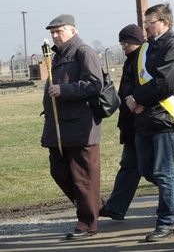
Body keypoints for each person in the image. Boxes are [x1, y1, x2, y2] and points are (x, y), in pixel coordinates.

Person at [125, 3, 174, 242]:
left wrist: (138, 98)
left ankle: (166, 222)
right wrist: (131, 99)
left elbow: (166, 83)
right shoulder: (144, 49)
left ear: (164, 23)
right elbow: (130, 77)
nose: (146, 26)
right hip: (142, 118)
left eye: (150, 22)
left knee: (163, 173)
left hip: (163, 118)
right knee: (147, 171)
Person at [41, 14, 103, 240]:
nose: (55, 36)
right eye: (53, 32)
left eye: (60, 31)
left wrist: (64, 90)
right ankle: (95, 205)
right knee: (59, 171)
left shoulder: (83, 52)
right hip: (58, 127)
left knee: (82, 177)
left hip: (79, 127)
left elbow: (95, 83)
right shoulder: (57, 55)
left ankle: (87, 224)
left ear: (73, 31)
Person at [99, 25, 145, 221]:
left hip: (142, 122)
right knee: (130, 165)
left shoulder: (143, 59)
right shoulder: (131, 60)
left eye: (127, 42)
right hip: (131, 123)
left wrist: (133, 100)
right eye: (122, 43)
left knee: (157, 169)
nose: (124, 46)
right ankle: (116, 207)